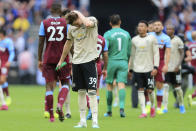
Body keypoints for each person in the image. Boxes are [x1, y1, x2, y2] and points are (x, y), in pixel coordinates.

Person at [57, 10, 99, 128]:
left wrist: (78, 13)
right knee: (80, 92)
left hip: (90, 61)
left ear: (78, 17)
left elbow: (87, 24)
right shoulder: (71, 28)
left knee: (91, 92)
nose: (75, 26)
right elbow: (68, 44)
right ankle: (82, 121)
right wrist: (61, 60)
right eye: (73, 25)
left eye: (76, 23)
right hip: (76, 62)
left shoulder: (91, 20)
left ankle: (95, 121)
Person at [38, 3, 70, 122]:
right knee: (65, 83)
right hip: (63, 59)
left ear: (50, 10)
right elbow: (69, 41)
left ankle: (51, 116)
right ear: (60, 10)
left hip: (49, 58)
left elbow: (41, 42)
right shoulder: (66, 23)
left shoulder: (44, 23)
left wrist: (39, 59)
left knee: (49, 87)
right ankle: (60, 105)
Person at [129, 20, 159, 118]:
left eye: (142, 26)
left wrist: (156, 67)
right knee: (140, 90)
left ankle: (152, 107)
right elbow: (132, 55)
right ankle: (144, 112)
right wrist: (130, 69)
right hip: (138, 69)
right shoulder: (134, 40)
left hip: (149, 69)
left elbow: (156, 53)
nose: (140, 28)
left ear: (146, 28)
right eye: (139, 26)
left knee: (150, 90)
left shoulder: (152, 38)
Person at [103, 14, 131, 118]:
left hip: (111, 62)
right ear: (120, 22)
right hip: (123, 61)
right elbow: (129, 51)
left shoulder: (107, 34)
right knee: (121, 84)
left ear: (110, 23)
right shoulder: (126, 34)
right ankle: (122, 109)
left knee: (109, 85)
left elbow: (104, 50)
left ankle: (109, 111)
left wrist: (104, 65)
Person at [163, 24, 186, 114]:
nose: (168, 30)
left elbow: (182, 53)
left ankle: (181, 105)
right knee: (165, 87)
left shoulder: (178, 40)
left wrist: (178, 65)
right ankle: (165, 107)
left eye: (170, 29)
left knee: (178, 88)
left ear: (174, 30)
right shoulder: (164, 40)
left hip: (176, 68)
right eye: (167, 29)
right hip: (167, 68)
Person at [150, 20, 171, 114]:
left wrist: (166, 65)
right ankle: (149, 105)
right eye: (155, 25)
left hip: (161, 63)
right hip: (149, 62)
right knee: (149, 85)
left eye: (159, 25)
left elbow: (168, 52)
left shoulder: (166, 38)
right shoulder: (149, 36)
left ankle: (159, 106)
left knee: (159, 85)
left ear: (162, 27)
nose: (157, 27)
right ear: (153, 27)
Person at [86, 34, 108, 120]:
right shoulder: (102, 39)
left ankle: (90, 109)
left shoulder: (85, 36)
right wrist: (105, 68)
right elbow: (105, 55)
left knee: (85, 89)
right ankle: (93, 110)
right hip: (98, 65)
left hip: (87, 65)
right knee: (96, 89)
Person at [0, 29, 15, 110]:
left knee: (2, 80)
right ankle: (6, 98)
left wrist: (9, 61)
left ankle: (7, 98)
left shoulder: (8, 41)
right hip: (0, 63)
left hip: (5, 64)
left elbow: (12, 52)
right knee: (3, 81)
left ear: (2, 34)